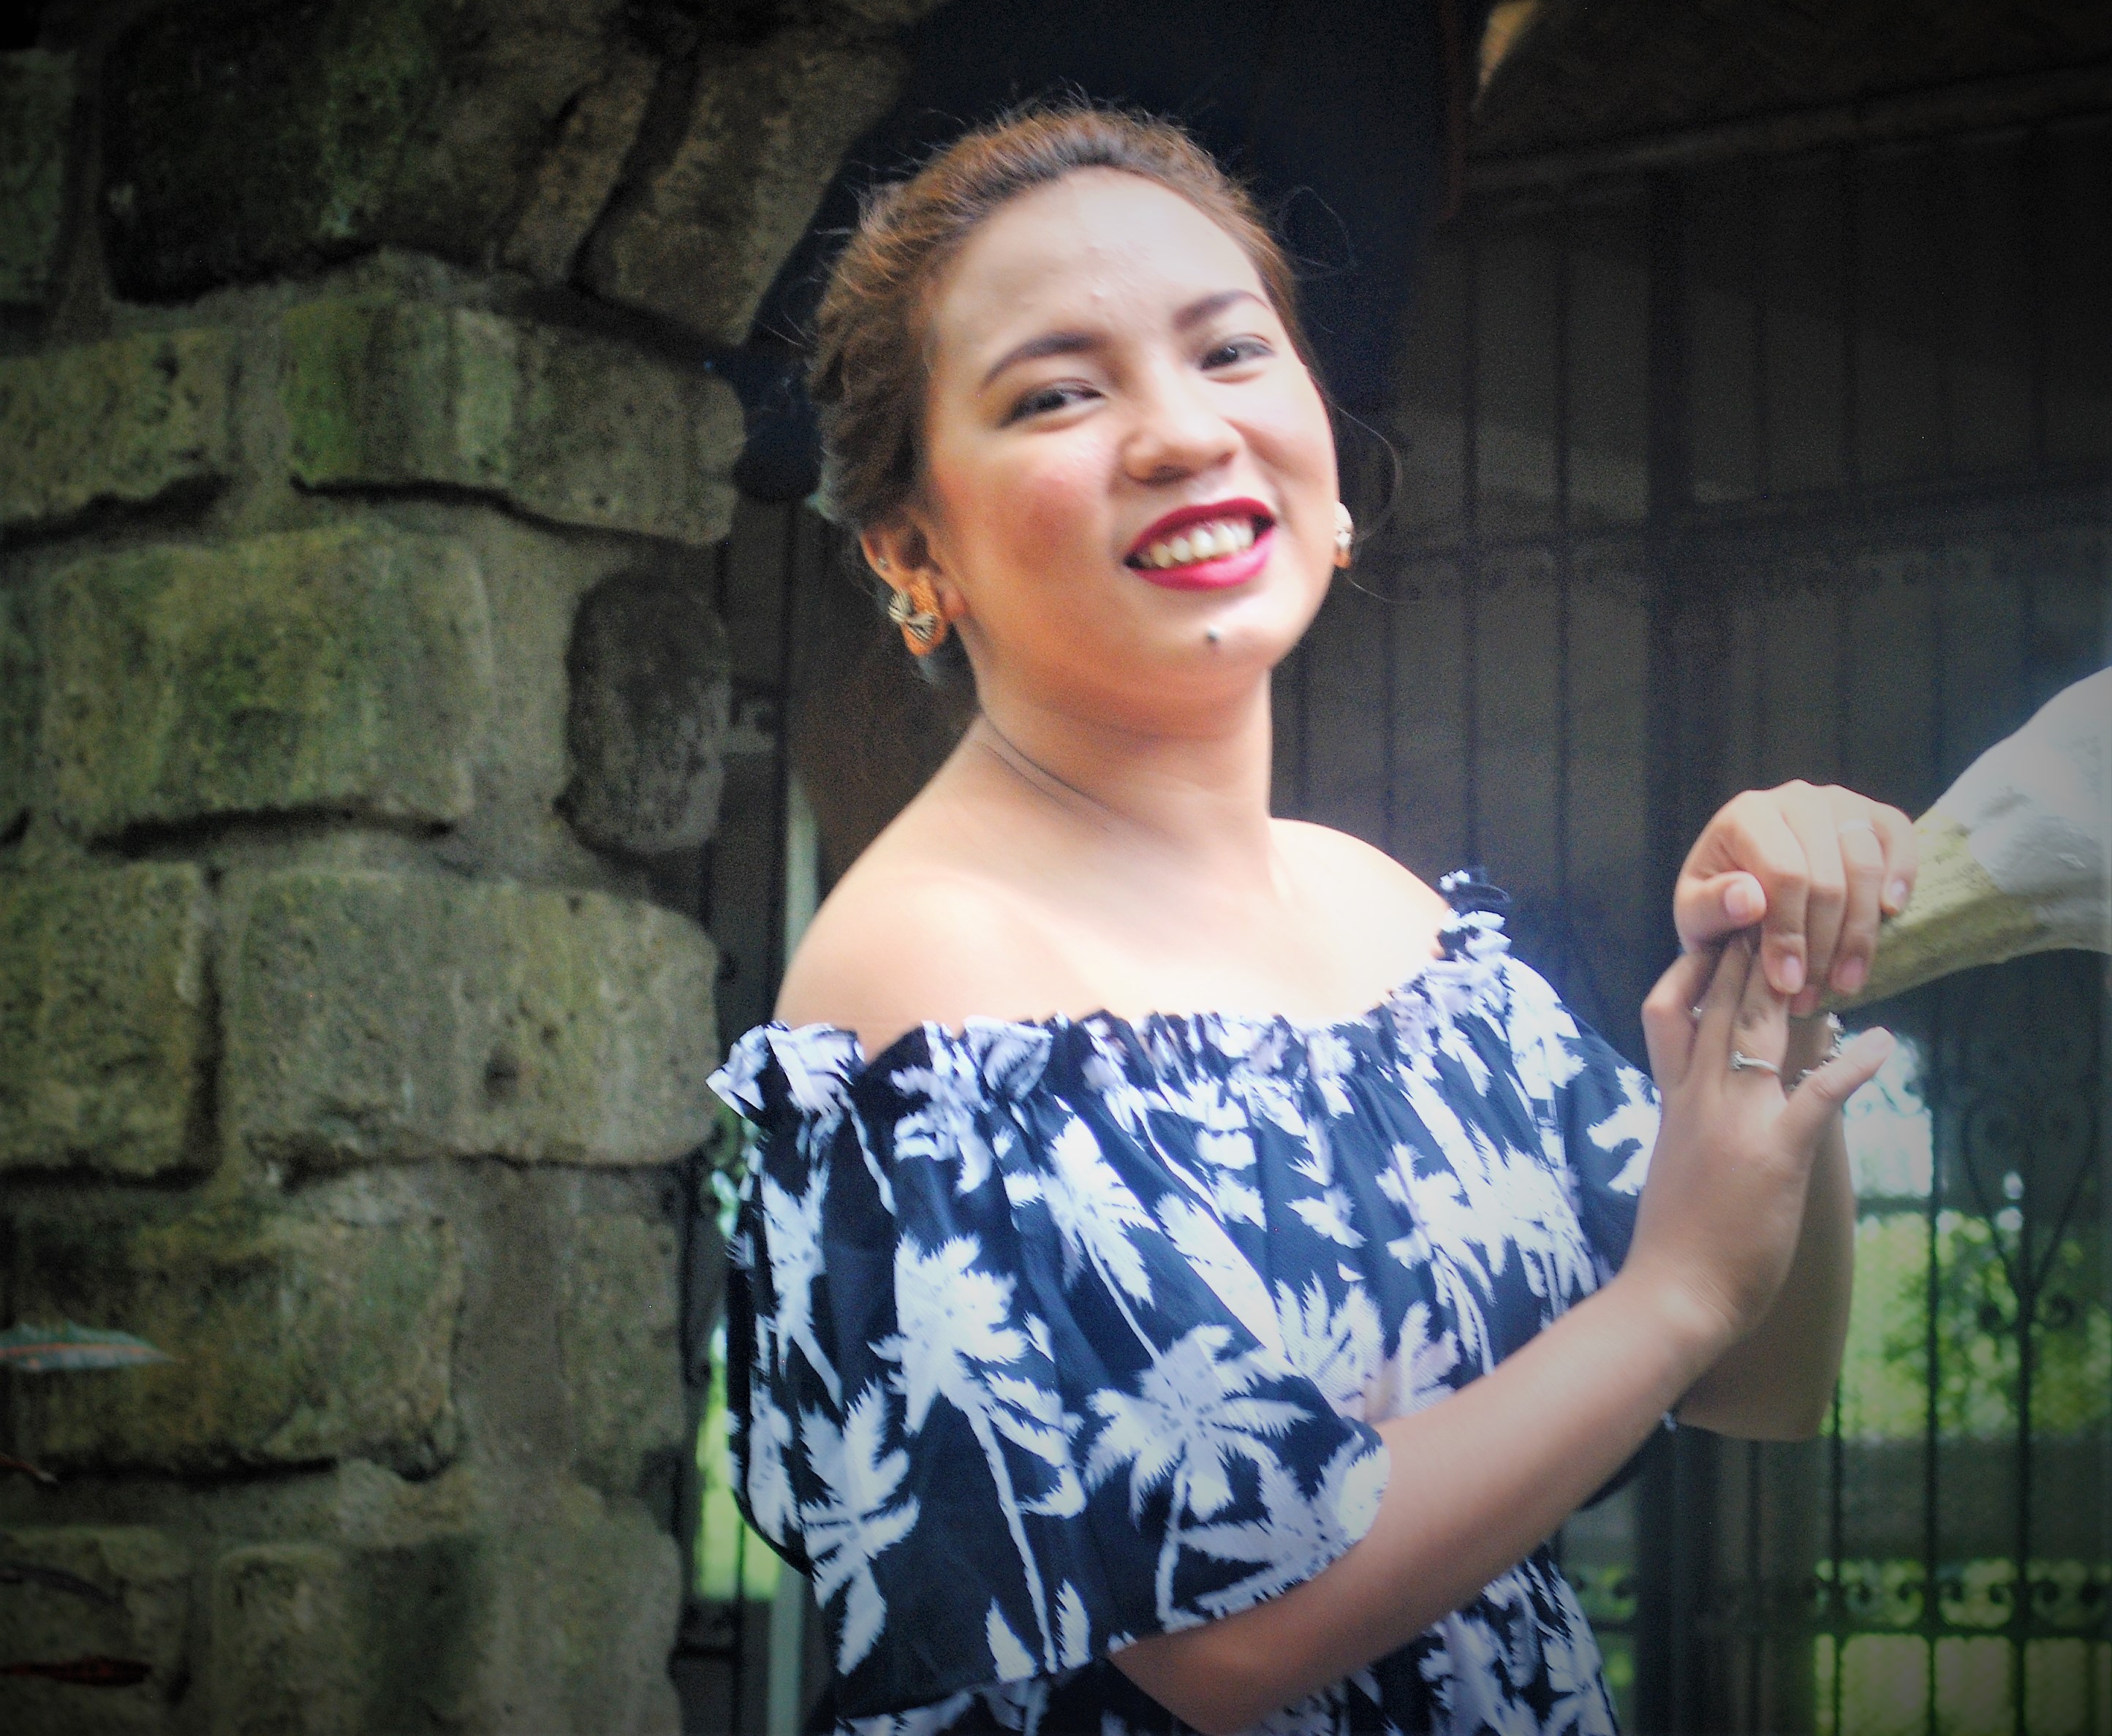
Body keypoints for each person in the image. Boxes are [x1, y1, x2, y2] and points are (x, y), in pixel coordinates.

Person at [709, 106, 1918, 1736]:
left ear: (1327, 458)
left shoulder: (1383, 911)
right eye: (1056, 393)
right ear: (913, 551)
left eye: (1228, 352)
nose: (1178, 432)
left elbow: (1756, 1381)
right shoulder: (931, 978)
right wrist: (1673, 1296)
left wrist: (1771, 995)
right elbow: (1223, 1637)